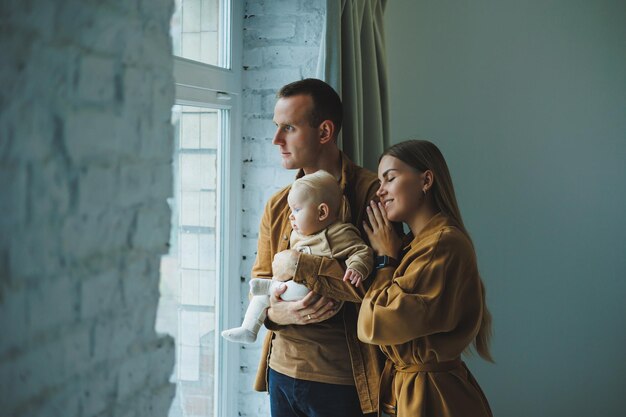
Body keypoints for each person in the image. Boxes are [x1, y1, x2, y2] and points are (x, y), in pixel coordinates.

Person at [249, 78, 383, 417]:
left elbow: (381, 293)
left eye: (289, 128)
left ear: (325, 132)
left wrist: (299, 264)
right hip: (280, 372)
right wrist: (276, 313)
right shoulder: (278, 205)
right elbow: (260, 284)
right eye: (276, 128)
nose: (276, 140)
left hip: (342, 381)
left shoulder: (371, 195)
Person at [357, 139, 493, 417]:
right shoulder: (415, 244)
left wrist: (385, 260)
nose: (380, 191)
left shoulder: (442, 244)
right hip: (416, 391)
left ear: (426, 180)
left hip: (433, 399)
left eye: (390, 178)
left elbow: (373, 323)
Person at [221, 170, 373, 344]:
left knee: (270, 290)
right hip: (290, 302)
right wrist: (275, 312)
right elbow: (263, 271)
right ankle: (248, 329)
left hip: (314, 295)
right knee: (259, 297)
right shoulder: (296, 231)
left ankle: (271, 287)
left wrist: (356, 267)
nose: (291, 216)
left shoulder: (339, 233)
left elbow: (361, 251)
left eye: (297, 210)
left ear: (322, 212)